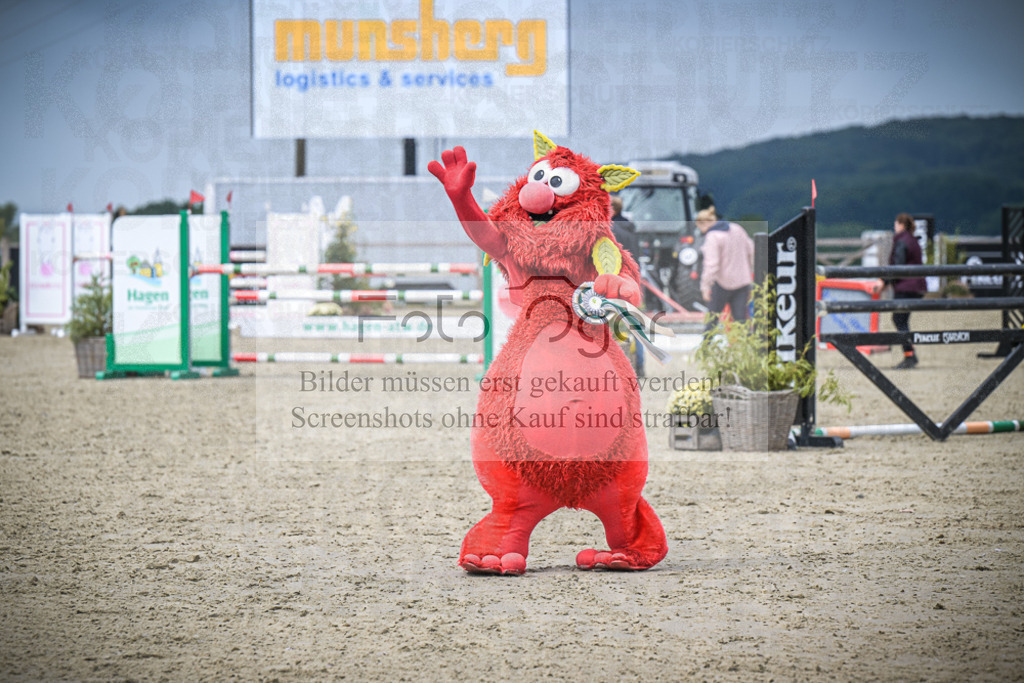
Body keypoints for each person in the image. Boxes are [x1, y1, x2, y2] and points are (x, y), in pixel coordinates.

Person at [697, 206, 754, 330]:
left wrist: (705, 287)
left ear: (704, 223)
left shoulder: (713, 236)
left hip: (722, 284)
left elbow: (711, 265)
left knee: (712, 320)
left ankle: (705, 348)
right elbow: (751, 250)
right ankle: (747, 347)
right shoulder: (737, 229)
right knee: (741, 320)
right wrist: (749, 271)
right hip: (742, 282)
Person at [610, 195, 645, 377]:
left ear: (612, 210)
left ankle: (620, 367)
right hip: (634, 281)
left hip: (617, 282)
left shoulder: (611, 229)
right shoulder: (632, 228)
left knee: (615, 325)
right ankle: (640, 364)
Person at [888, 212, 926, 369]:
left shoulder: (902, 241)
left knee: (899, 319)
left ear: (901, 225)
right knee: (902, 320)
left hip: (905, 286)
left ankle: (909, 355)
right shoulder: (913, 240)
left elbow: (898, 266)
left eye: (895, 224)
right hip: (916, 286)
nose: (894, 227)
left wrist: (884, 281)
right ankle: (910, 352)